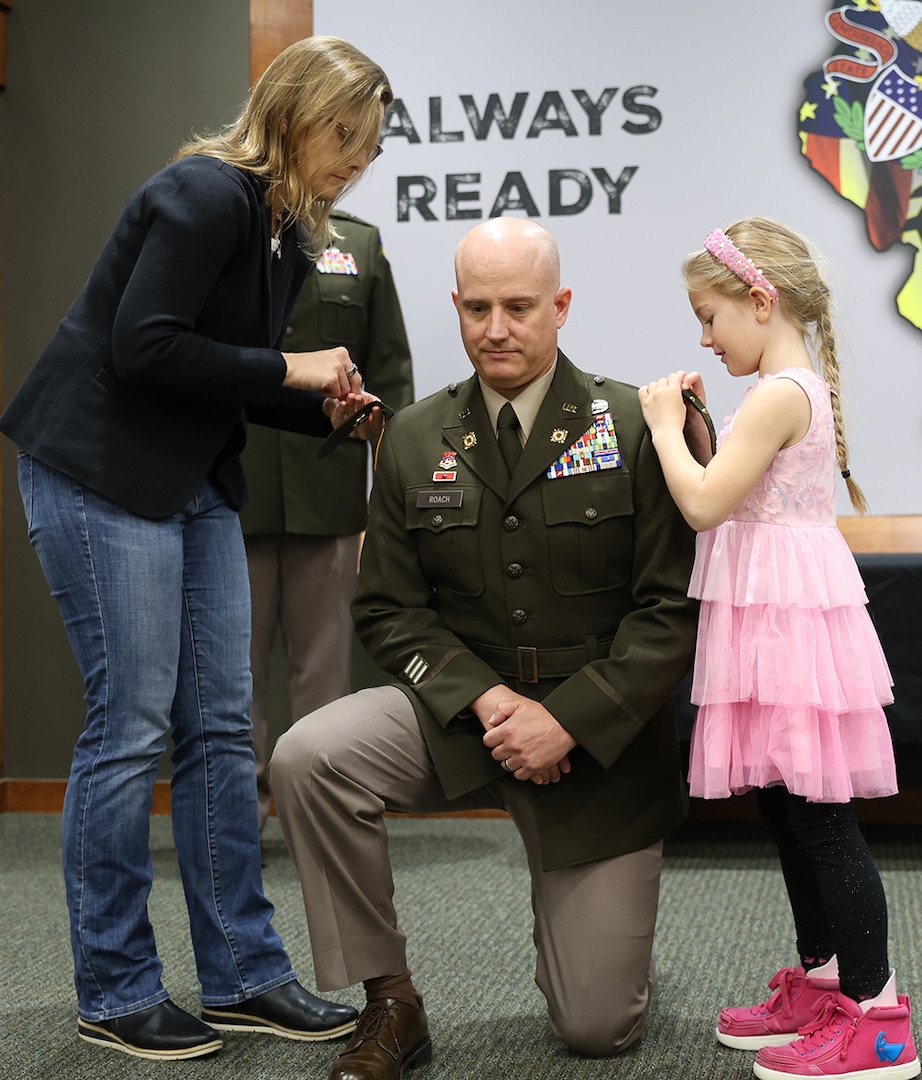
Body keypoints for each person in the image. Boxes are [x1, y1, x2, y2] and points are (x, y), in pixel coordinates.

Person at [0, 37, 393, 1062]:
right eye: (342, 138)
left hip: (190, 479)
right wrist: (296, 363)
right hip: (96, 472)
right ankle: (116, 988)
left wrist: (327, 412)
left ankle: (244, 976)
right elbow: (145, 346)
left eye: (369, 146)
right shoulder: (203, 193)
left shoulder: (287, 231)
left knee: (221, 730)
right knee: (130, 725)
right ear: (294, 114)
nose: (355, 160)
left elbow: (229, 379)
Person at [269, 216, 699, 1080]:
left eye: (518, 306)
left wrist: (565, 721)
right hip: (465, 719)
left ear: (561, 305)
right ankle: (390, 999)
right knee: (309, 755)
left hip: (599, 741)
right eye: (477, 308)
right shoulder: (414, 437)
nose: (495, 329)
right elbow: (388, 608)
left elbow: (671, 612)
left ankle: (592, 941)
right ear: (455, 308)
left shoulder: (633, 423)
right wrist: (489, 700)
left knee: (595, 1027)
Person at [638, 217, 919, 1080]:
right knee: (785, 804)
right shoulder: (783, 389)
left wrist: (658, 424)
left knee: (819, 817)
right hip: (772, 616)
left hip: (789, 623)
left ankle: (878, 1022)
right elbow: (738, 487)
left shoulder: (778, 393)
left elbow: (703, 506)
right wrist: (697, 434)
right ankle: (826, 981)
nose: (704, 335)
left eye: (710, 315)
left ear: (759, 300)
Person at [240, 209, 414, 833]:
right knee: (236, 680)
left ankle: (320, 819)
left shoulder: (359, 243)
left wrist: (389, 498)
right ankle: (237, 825)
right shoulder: (237, 225)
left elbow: (388, 372)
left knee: (324, 676)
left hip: (330, 489)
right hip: (236, 487)